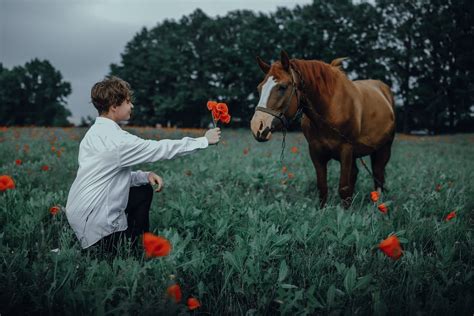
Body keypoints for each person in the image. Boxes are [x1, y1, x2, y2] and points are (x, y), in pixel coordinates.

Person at [65, 76, 220, 255]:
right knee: (113, 255)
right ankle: (134, 250)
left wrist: (143, 176)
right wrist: (204, 140)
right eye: (128, 101)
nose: (132, 106)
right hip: (95, 226)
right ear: (114, 106)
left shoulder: (94, 133)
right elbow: (160, 149)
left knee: (143, 188)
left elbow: (108, 175)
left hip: (81, 214)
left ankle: (136, 241)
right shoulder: (117, 140)